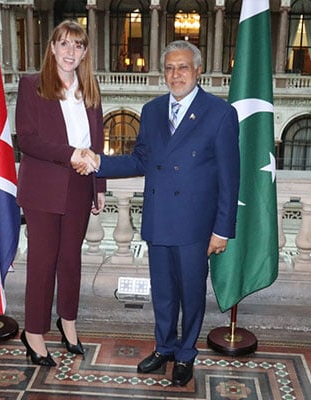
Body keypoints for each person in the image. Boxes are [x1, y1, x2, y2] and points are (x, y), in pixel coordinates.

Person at [80, 40, 240, 386]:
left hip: (195, 224)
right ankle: (165, 347)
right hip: (158, 218)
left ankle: (185, 354)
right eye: (169, 68)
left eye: (183, 67)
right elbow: (141, 159)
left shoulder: (220, 113)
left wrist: (223, 229)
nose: (175, 74)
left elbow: (230, 177)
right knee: (164, 293)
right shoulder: (151, 110)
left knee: (192, 294)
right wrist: (99, 162)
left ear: (198, 71)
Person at [15, 20, 106, 367]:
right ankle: (34, 333)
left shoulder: (91, 90)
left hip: (81, 186)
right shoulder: (32, 86)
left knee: (71, 260)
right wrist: (70, 154)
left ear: (85, 53)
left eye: (78, 46)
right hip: (44, 189)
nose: (71, 52)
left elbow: (96, 143)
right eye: (64, 44)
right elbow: (28, 140)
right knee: (43, 262)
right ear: (52, 48)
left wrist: (98, 186)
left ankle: (68, 322)